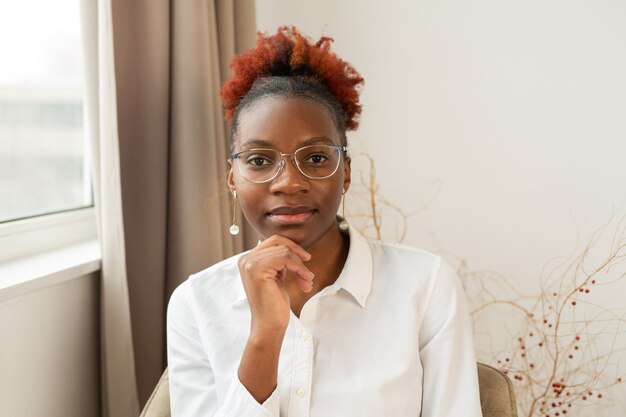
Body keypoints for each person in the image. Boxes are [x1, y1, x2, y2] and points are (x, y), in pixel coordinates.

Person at [167, 26, 483, 417]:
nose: (288, 182)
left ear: (345, 172)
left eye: (315, 158)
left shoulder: (425, 285)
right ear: (233, 177)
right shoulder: (195, 304)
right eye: (259, 161)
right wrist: (265, 337)